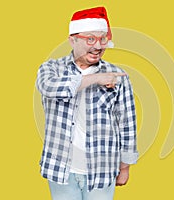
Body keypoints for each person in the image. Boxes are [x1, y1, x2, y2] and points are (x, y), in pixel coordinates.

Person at [36, 6, 138, 200]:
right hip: (61, 169)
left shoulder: (118, 75)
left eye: (102, 39)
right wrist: (96, 79)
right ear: (72, 40)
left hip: (103, 168)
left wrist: (125, 166)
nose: (98, 46)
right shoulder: (51, 68)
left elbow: (127, 123)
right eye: (90, 39)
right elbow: (49, 87)